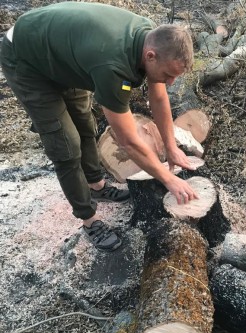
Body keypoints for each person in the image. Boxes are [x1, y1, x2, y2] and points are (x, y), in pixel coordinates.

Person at [0, 1, 198, 251]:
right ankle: (88, 219)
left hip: (61, 53)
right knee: (66, 145)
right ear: (150, 56)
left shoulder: (153, 40)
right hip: (26, 58)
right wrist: (168, 179)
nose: (171, 82)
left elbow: (159, 97)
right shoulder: (112, 67)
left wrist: (171, 147)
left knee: (85, 125)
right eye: (169, 75)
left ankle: (97, 186)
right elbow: (127, 141)